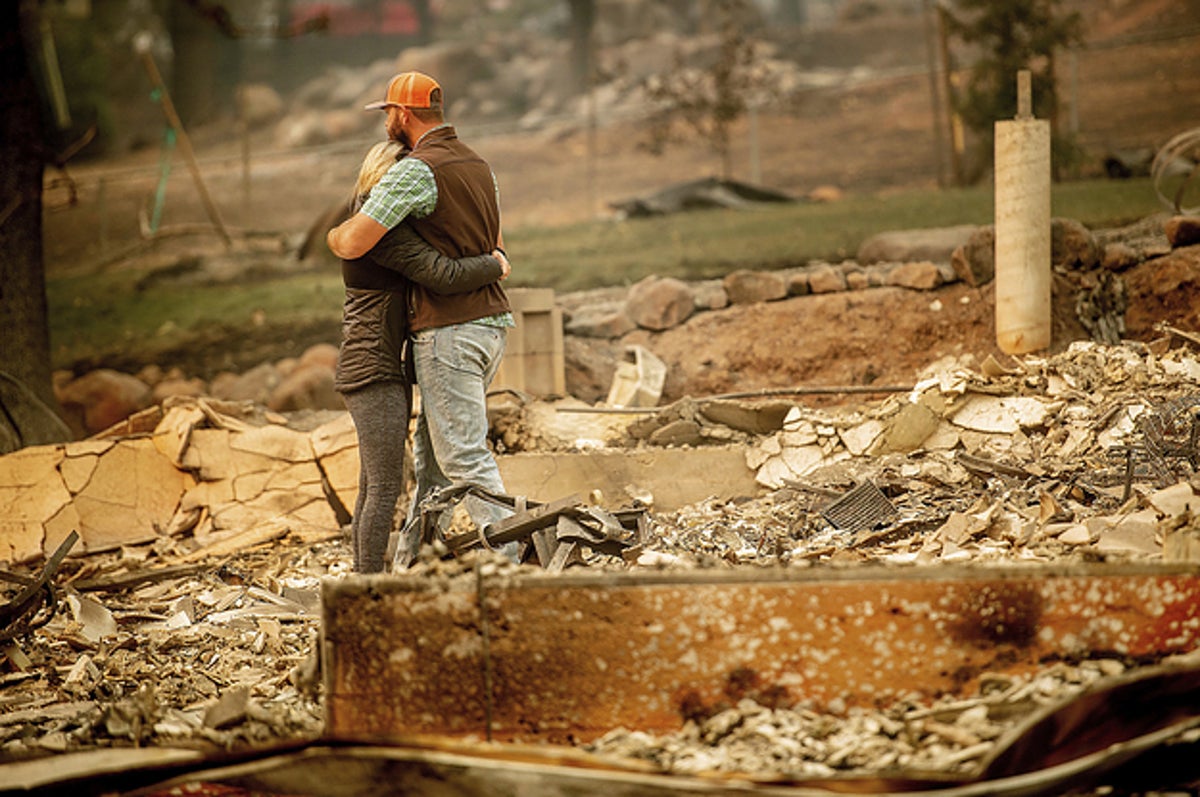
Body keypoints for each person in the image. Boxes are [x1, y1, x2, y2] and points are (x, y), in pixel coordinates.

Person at [327, 71, 516, 567]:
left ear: (403, 115)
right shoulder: (479, 165)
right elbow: (477, 240)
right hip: (492, 324)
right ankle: (412, 564)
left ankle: (516, 559)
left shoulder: (415, 171)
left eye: (388, 112)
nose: (387, 120)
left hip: (449, 331)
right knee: (429, 466)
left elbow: (351, 241)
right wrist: (496, 262)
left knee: (463, 458)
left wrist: (335, 237)